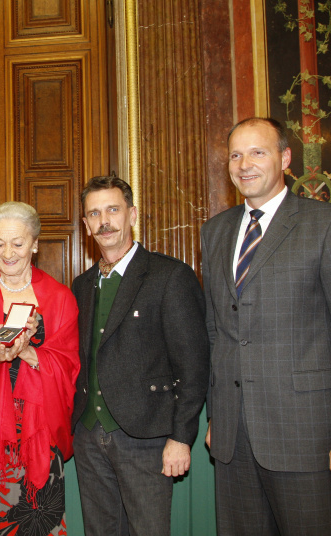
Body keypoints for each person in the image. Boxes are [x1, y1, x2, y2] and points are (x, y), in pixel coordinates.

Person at [201, 117, 331, 535]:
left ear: (285, 158)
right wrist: (216, 416)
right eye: (235, 155)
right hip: (232, 436)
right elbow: (216, 330)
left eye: (258, 152)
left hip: (304, 432)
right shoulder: (215, 232)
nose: (244, 164)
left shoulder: (322, 224)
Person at [71, 176, 209, 535]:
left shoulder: (170, 276)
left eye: (113, 210)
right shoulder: (82, 285)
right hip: (89, 436)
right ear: (85, 225)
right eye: (94, 213)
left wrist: (181, 437)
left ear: (132, 214)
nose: (105, 220)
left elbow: (193, 365)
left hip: (146, 438)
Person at [0, 201, 79, 535]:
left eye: (18, 244)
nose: (7, 253)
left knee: (37, 522)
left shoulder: (60, 297)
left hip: (40, 434)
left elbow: (68, 367)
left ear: (35, 244)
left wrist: (27, 353)